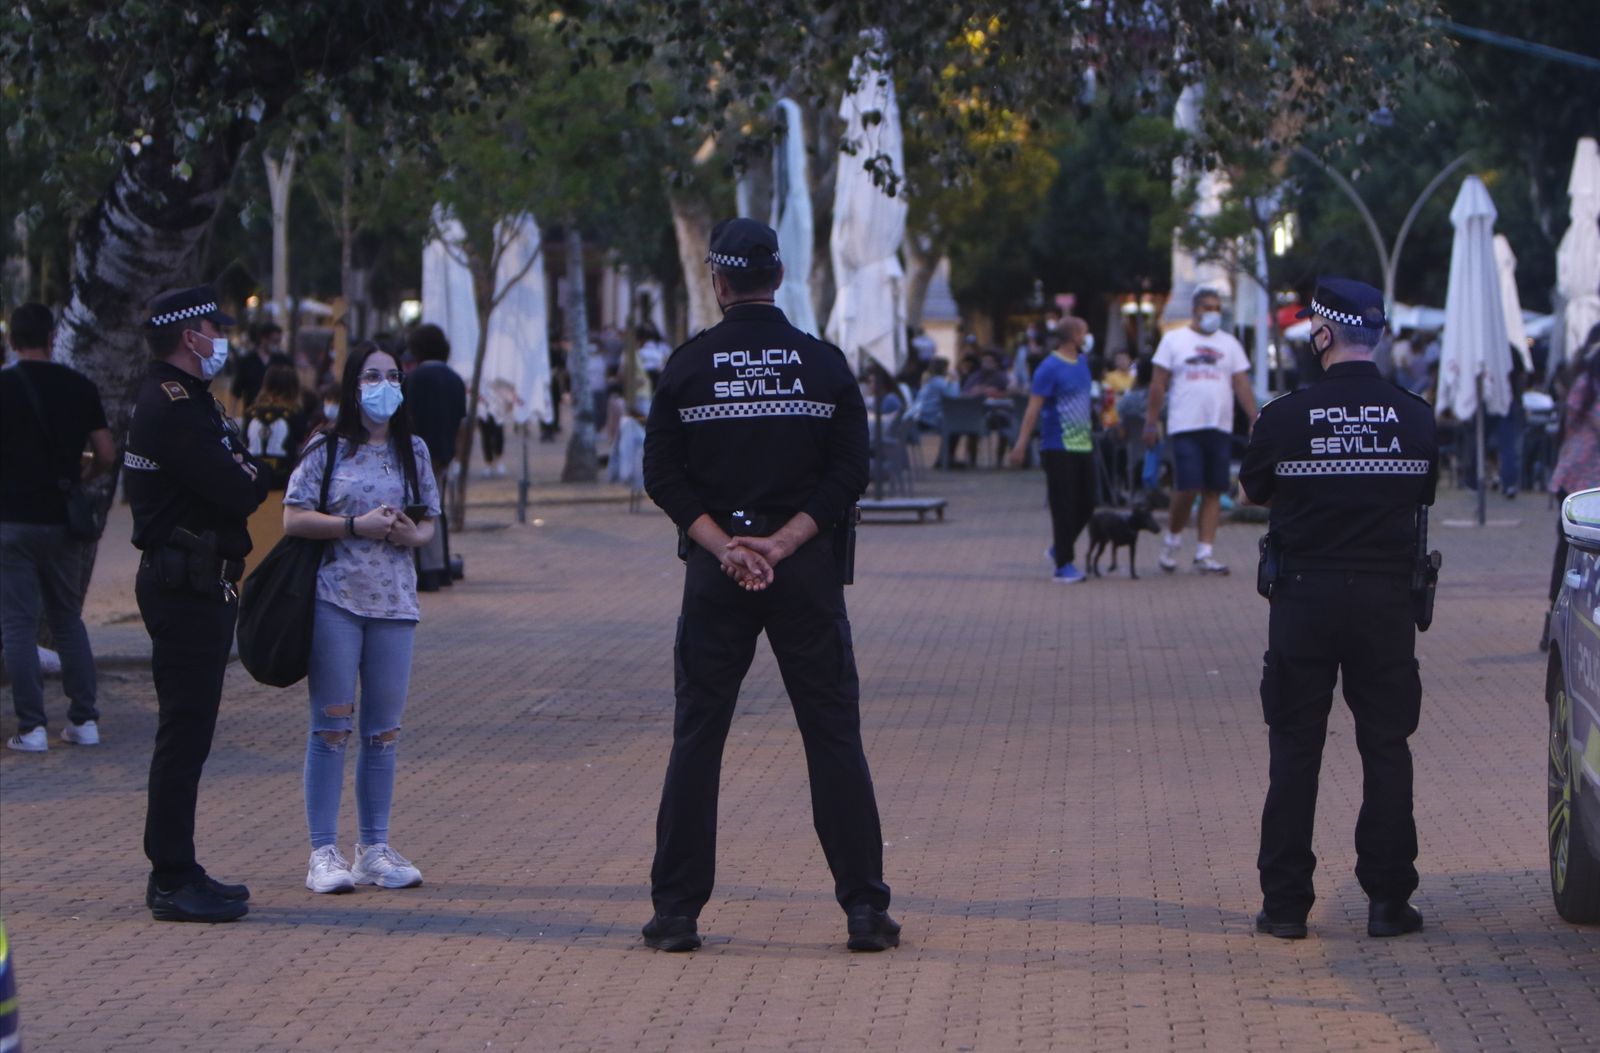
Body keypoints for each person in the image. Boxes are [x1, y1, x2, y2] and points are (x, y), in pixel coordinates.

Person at [641, 217, 897, 954]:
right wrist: (782, 542)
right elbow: (851, 470)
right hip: (806, 569)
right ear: (778, 278)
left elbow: (662, 474)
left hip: (718, 576)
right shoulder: (822, 365)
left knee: (699, 736)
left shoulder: (689, 367)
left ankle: (678, 910)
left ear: (718, 282)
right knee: (831, 732)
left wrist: (726, 545)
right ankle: (863, 908)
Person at [1238, 277, 1438, 941]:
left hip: (1304, 595)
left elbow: (1255, 489)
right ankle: (1388, 899)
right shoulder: (1414, 416)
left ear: (1322, 333)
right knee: (1386, 744)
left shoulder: (1284, 416)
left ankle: (1287, 903)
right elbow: (1424, 493)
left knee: (1294, 747)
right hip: (1385, 600)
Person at [125, 284, 270, 922]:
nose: (222, 338)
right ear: (191, 336)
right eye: (216, 327)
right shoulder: (173, 406)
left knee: (192, 733)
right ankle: (171, 877)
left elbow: (238, 470)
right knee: (184, 735)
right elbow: (236, 487)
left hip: (197, 580)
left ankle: (180, 865)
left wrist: (248, 468)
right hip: (182, 585)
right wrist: (252, 471)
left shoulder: (185, 401)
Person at [282, 342, 441, 895]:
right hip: (336, 600)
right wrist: (354, 526)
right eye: (372, 376)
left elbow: (427, 526)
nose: (384, 385)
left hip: (395, 603)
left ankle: (374, 847)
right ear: (352, 384)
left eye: (393, 375)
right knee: (331, 728)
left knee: (383, 732)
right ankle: (322, 852)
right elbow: (293, 517)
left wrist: (406, 533)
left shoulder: (412, 449)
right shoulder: (326, 447)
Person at [1, 302, 116, 752]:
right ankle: (84, 720)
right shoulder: (79, 387)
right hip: (63, 520)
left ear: (12, 340)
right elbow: (106, 453)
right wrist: (79, 479)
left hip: (11, 522)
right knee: (67, 619)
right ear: (52, 338)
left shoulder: (4, 387)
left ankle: (31, 728)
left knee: (17, 624)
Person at [1145, 287, 1257, 574]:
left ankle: (1204, 552)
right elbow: (1158, 383)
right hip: (1186, 424)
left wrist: (1254, 416)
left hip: (1219, 424)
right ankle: (1172, 539)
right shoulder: (1174, 340)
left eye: (1217, 307)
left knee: (1214, 489)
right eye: (1208, 307)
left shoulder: (1229, 343)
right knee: (1187, 486)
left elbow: (1241, 382)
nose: (1213, 313)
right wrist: (1151, 421)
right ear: (1195, 309)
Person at [1007, 317, 1095, 582]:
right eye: (1085, 333)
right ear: (1074, 337)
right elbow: (1033, 409)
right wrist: (1021, 443)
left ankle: (1061, 546)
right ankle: (1063, 564)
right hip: (1058, 445)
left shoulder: (1082, 363)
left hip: (1084, 443)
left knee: (1088, 501)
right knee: (1063, 504)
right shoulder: (1049, 367)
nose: (1088, 338)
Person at [1540, 327, 1600, 651]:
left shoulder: (1582, 380)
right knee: (1573, 549)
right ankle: (1558, 618)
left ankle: (1558, 617)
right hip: (1583, 480)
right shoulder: (1589, 384)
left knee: (1569, 549)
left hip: (1574, 476)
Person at [403, 324, 465, 592]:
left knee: (419, 511)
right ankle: (438, 568)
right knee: (436, 511)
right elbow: (462, 424)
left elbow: (405, 421)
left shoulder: (413, 380)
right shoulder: (455, 380)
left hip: (417, 455)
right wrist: (457, 455)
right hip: (445, 454)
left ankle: (426, 569)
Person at [240, 363, 308, 578]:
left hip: (254, 484)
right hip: (283, 486)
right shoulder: (295, 414)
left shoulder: (251, 412)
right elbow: (303, 446)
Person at [229, 321, 287, 412]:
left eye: (279, 341)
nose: (277, 345)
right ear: (264, 339)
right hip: (252, 413)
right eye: (274, 341)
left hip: (279, 413)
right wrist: (231, 415)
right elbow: (236, 391)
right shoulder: (247, 361)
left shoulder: (283, 361)